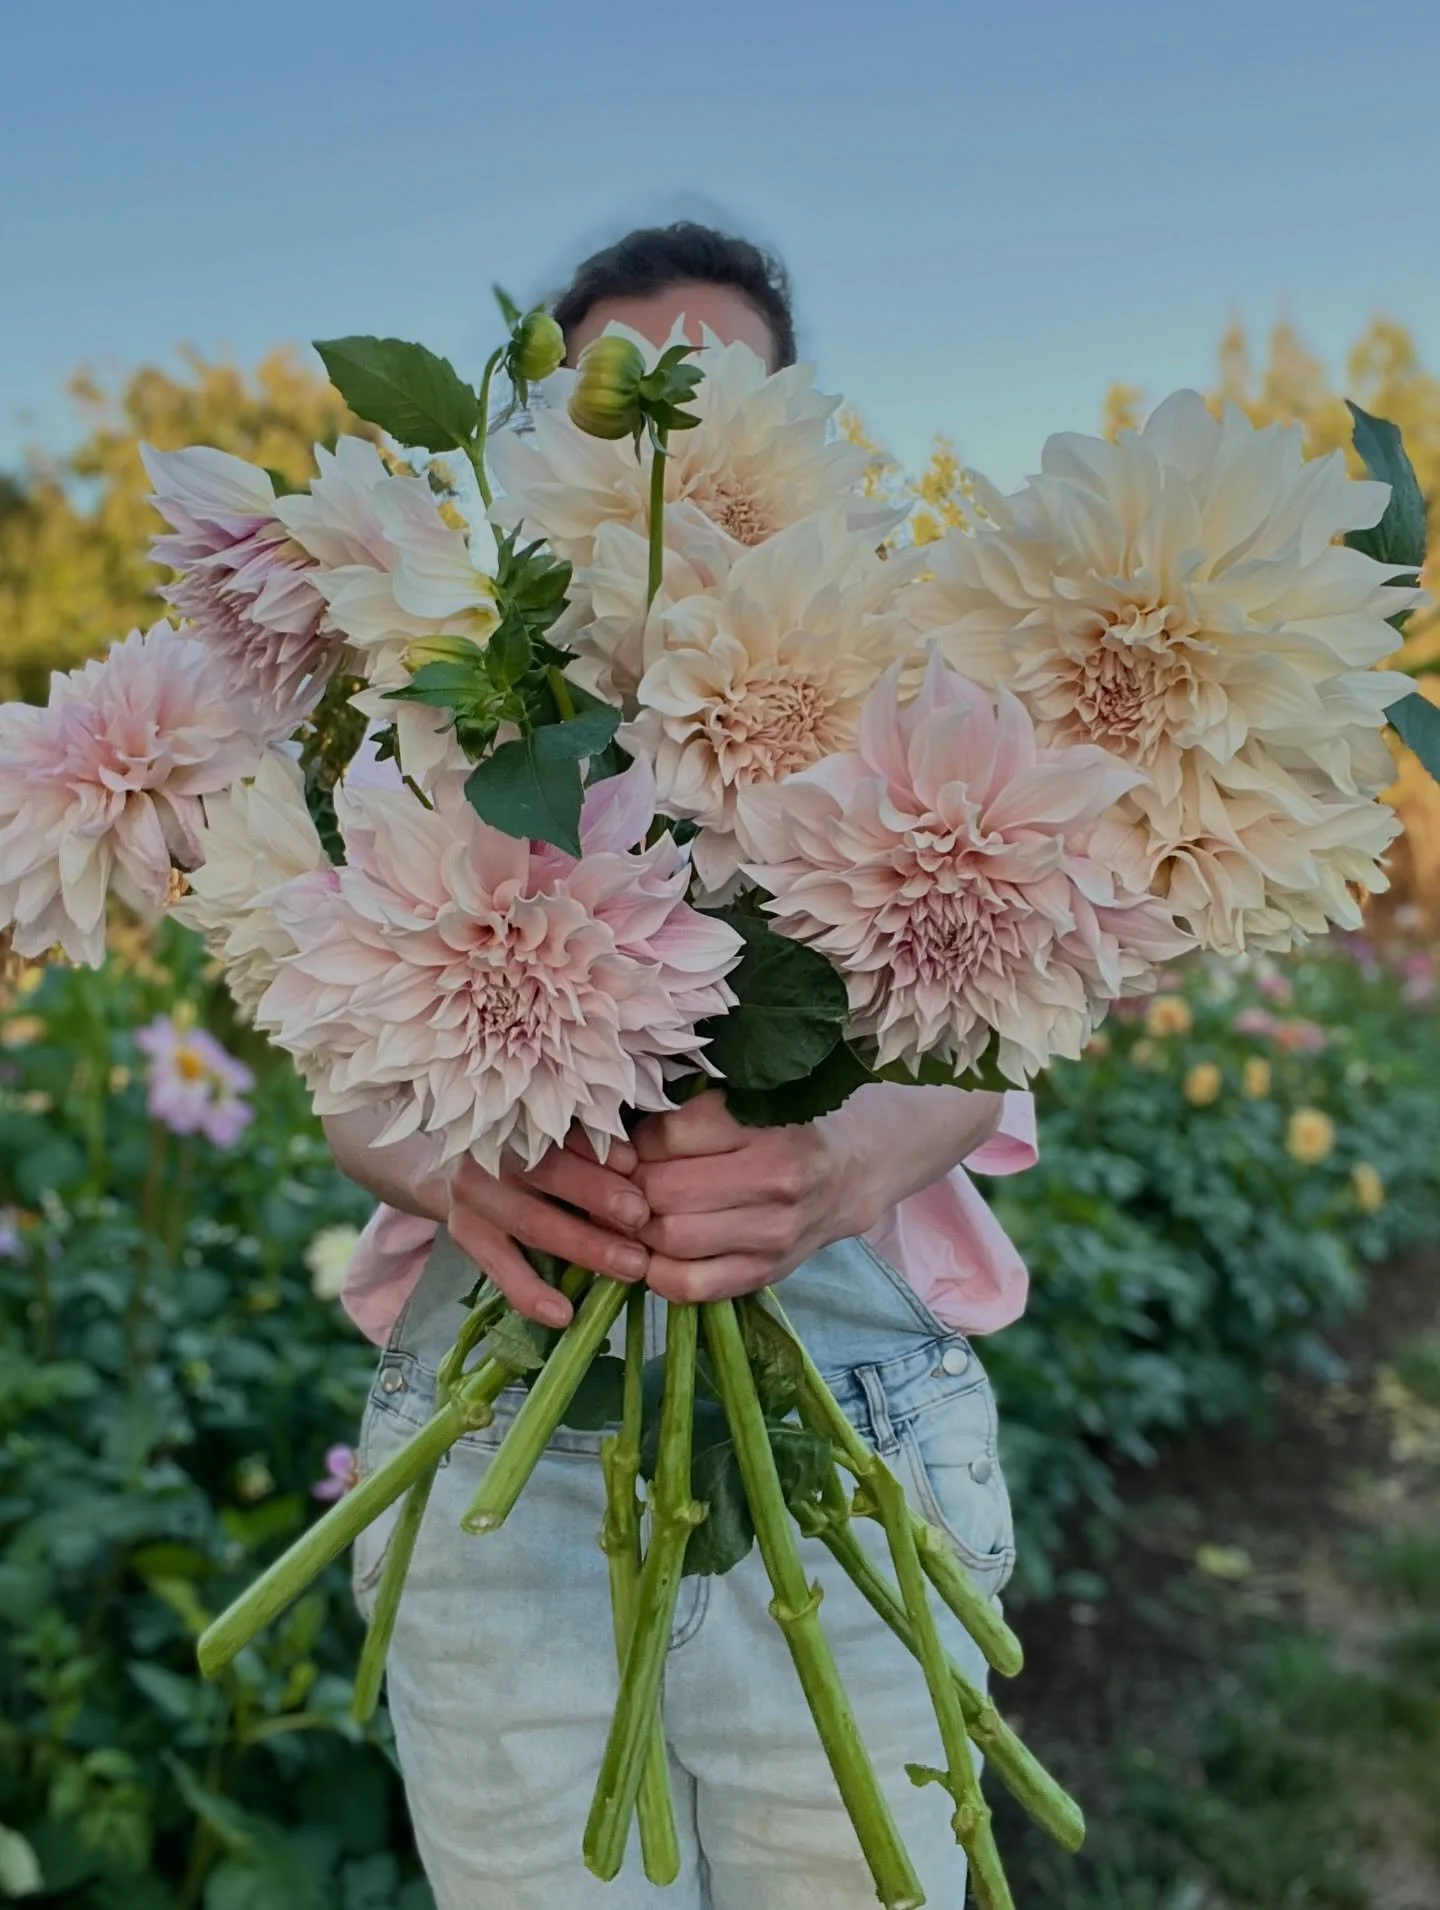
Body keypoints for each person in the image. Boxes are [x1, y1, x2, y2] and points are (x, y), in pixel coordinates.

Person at [328, 221, 1037, 1910]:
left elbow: (1000, 1033)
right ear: (538, 456)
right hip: (506, 1452)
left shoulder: (912, 684)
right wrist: (450, 1159)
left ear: (798, 423)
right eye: (616, 407)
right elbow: (334, 1047)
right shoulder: (440, 692)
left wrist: (847, 1162)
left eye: (712, 392)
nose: (667, 445)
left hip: (849, 1438)